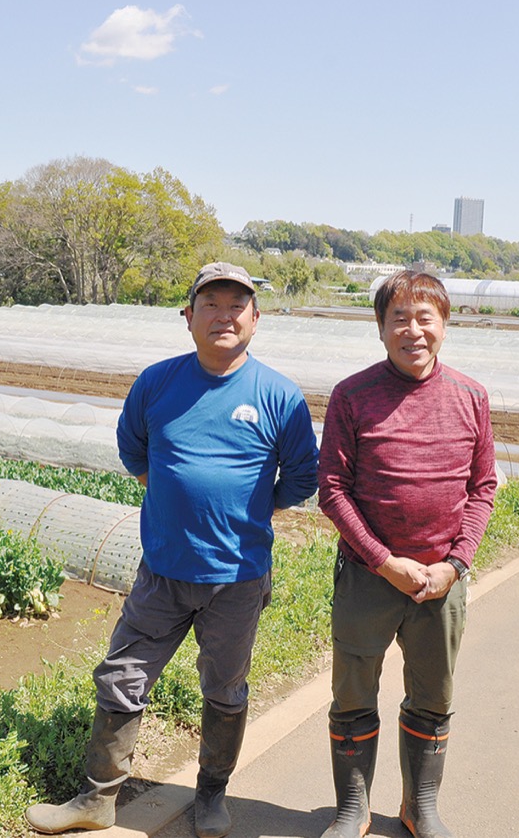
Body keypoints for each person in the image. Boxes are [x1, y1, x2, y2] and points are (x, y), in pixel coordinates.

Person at [25, 261, 319, 837]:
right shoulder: (157, 382)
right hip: (161, 572)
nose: (224, 315)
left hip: (237, 576)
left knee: (225, 688)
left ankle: (210, 796)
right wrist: (170, 494)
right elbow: (133, 450)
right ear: (188, 317)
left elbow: (303, 477)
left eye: (237, 305)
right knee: (121, 677)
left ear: (255, 320)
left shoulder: (278, 395)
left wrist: (253, 508)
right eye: (211, 304)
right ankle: (98, 797)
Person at [316, 270, 498, 838]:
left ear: (444, 326)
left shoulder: (471, 397)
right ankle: (353, 810)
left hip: (440, 581)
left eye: (425, 318)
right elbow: (333, 490)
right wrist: (383, 560)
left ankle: (420, 806)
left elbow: (482, 487)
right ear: (380, 328)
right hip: (371, 577)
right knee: (352, 693)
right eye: (399, 318)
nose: (413, 330)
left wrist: (455, 564)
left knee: (433, 695)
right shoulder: (352, 396)